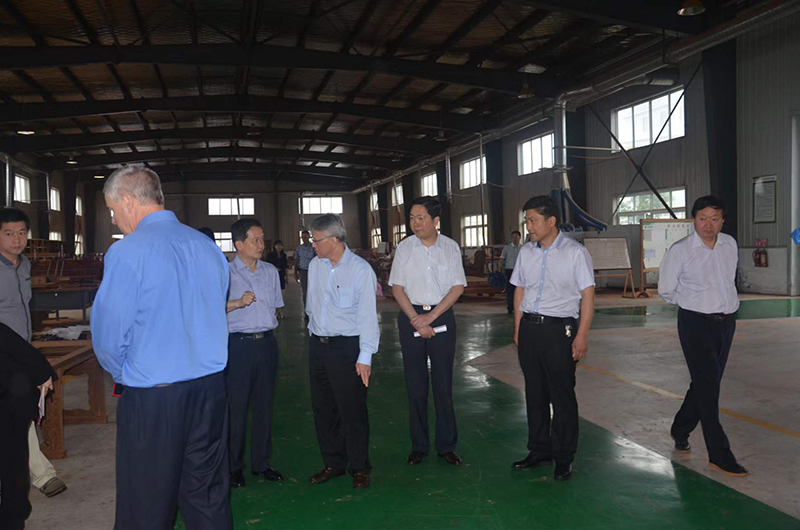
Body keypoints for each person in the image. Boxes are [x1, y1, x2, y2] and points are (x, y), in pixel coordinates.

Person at [91, 167, 232, 529]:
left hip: (154, 397)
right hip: (210, 392)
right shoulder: (208, 248)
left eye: (112, 210)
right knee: (206, 496)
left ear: (128, 201)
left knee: (146, 503)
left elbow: (109, 337)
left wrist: (126, 374)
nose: (114, 219)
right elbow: (215, 310)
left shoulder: (127, 252)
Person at [658, 196, 748, 477]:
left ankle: (680, 428)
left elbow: (728, 281)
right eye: (702, 218)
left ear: (722, 220)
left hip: (726, 322)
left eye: (715, 219)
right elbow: (666, 289)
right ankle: (719, 454)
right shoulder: (681, 250)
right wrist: (694, 304)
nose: (709, 225)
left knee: (706, 382)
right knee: (709, 387)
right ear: (693, 220)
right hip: (695, 323)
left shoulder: (729, 244)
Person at [510, 195, 595, 481]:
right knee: (534, 393)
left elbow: (587, 296)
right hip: (530, 329)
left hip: (560, 331)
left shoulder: (575, 253)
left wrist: (581, 335)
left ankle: (564, 456)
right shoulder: (526, 252)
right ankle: (539, 450)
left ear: (551, 221)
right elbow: (520, 290)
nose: (528, 226)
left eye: (533, 221)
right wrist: (518, 328)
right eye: (526, 221)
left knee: (562, 396)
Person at [388, 196, 467, 467]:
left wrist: (430, 318)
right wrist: (415, 319)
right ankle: (419, 446)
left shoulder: (450, 248)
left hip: (441, 316)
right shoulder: (404, 248)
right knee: (416, 385)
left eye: (421, 218)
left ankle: (446, 445)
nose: (415, 223)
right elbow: (397, 288)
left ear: (435, 221)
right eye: (412, 218)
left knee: (443, 384)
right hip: (410, 316)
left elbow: (457, 287)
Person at [305, 214, 378, 490]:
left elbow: (368, 316)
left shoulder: (360, 270)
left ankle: (359, 466)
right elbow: (312, 305)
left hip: (347, 347)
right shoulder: (315, 266)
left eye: (316, 240)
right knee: (323, 409)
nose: (313, 245)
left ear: (334, 239)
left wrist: (365, 356)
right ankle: (333, 463)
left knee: (352, 410)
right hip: (318, 346)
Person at [0, 207, 68, 499]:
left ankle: (40, 475)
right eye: (8, 233)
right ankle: (43, 475)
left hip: (21, 349)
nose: (16, 239)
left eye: (21, 233)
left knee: (20, 410)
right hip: (6, 352)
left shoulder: (24, 265)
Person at [225, 219, 284, 487]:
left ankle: (261, 463)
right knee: (236, 408)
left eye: (262, 239)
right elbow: (210, 307)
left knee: (265, 406)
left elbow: (276, 307)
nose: (262, 245)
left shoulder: (270, 271)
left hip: (266, 345)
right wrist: (237, 303)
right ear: (239, 244)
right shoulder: (225, 273)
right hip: (238, 346)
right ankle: (233, 466)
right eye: (256, 240)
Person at [0, 323, 56, 530]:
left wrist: (42, 375)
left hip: (11, 399)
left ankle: (14, 515)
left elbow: (18, 348)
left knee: (12, 460)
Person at [500, 230, 523, 314]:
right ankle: (510, 307)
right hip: (509, 270)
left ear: (519, 238)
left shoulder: (523, 248)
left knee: (519, 289)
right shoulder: (507, 248)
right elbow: (501, 259)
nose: (515, 239)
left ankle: (519, 307)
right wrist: (499, 270)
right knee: (510, 290)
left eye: (516, 237)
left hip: (520, 271)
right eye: (513, 237)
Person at [266, 239, 288, 319]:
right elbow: (267, 266)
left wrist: (287, 277)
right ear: (274, 246)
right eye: (278, 245)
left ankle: (280, 311)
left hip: (281, 275)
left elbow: (285, 267)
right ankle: (274, 311)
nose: (279, 247)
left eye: (281, 245)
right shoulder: (270, 255)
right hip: (272, 276)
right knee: (274, 294)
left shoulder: (284, 255)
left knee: (282, 294)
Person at [295, 230, 315, 315]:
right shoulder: (299, 248)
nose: (304, 238)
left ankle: (314, 309)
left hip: (313, 271)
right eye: (302, 237)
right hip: (303, 271)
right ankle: (306, 310)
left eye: (305, 237)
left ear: (309, 237)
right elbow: (296, 260)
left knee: (313, 291)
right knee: (305, 291)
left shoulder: (313, 247)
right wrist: (295, 273)